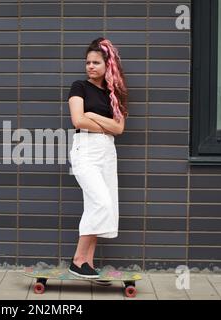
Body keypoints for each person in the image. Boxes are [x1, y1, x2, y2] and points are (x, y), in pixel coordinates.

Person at [67, 37, 129, 279]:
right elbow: (78, 120)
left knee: (101, 206)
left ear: (107, 65)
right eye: (88, 62)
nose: (90, 66)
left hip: (107, 153)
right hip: (86, 150)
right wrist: (106, 124)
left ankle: (87, 263)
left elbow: (120, 129)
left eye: (96, 62)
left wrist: (93, 114)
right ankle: (77, 260)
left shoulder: (117, 94)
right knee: (101, 203)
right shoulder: (78, 87)